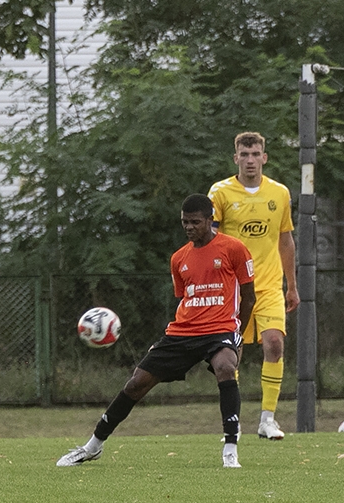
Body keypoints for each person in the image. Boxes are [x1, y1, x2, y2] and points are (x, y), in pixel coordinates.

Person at [57, 194, 256, 469]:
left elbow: (249, 296)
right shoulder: (179, 258)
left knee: (225, 366)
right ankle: (93, 446)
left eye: (195, 222)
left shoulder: (233, 248)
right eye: (185, 222)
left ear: (211, 220)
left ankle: (230, 449)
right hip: (183, 332)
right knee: (136, 383)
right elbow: (184, 299)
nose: (189, 227)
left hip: (220, 329)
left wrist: (238, 336)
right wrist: (167, 342)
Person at [207, 132, 298, 441]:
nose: (250, 160)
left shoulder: (280, 193)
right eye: (244, 154)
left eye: (255, 154)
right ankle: (232, 422)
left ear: (264, 157)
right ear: (236, 158)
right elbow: (210, 241)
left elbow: (286, 240)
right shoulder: (220, 193)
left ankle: (267, 420)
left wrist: (292, 285)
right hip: (234, 289)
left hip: (270, 286)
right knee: (231, 356)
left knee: (274, 343)